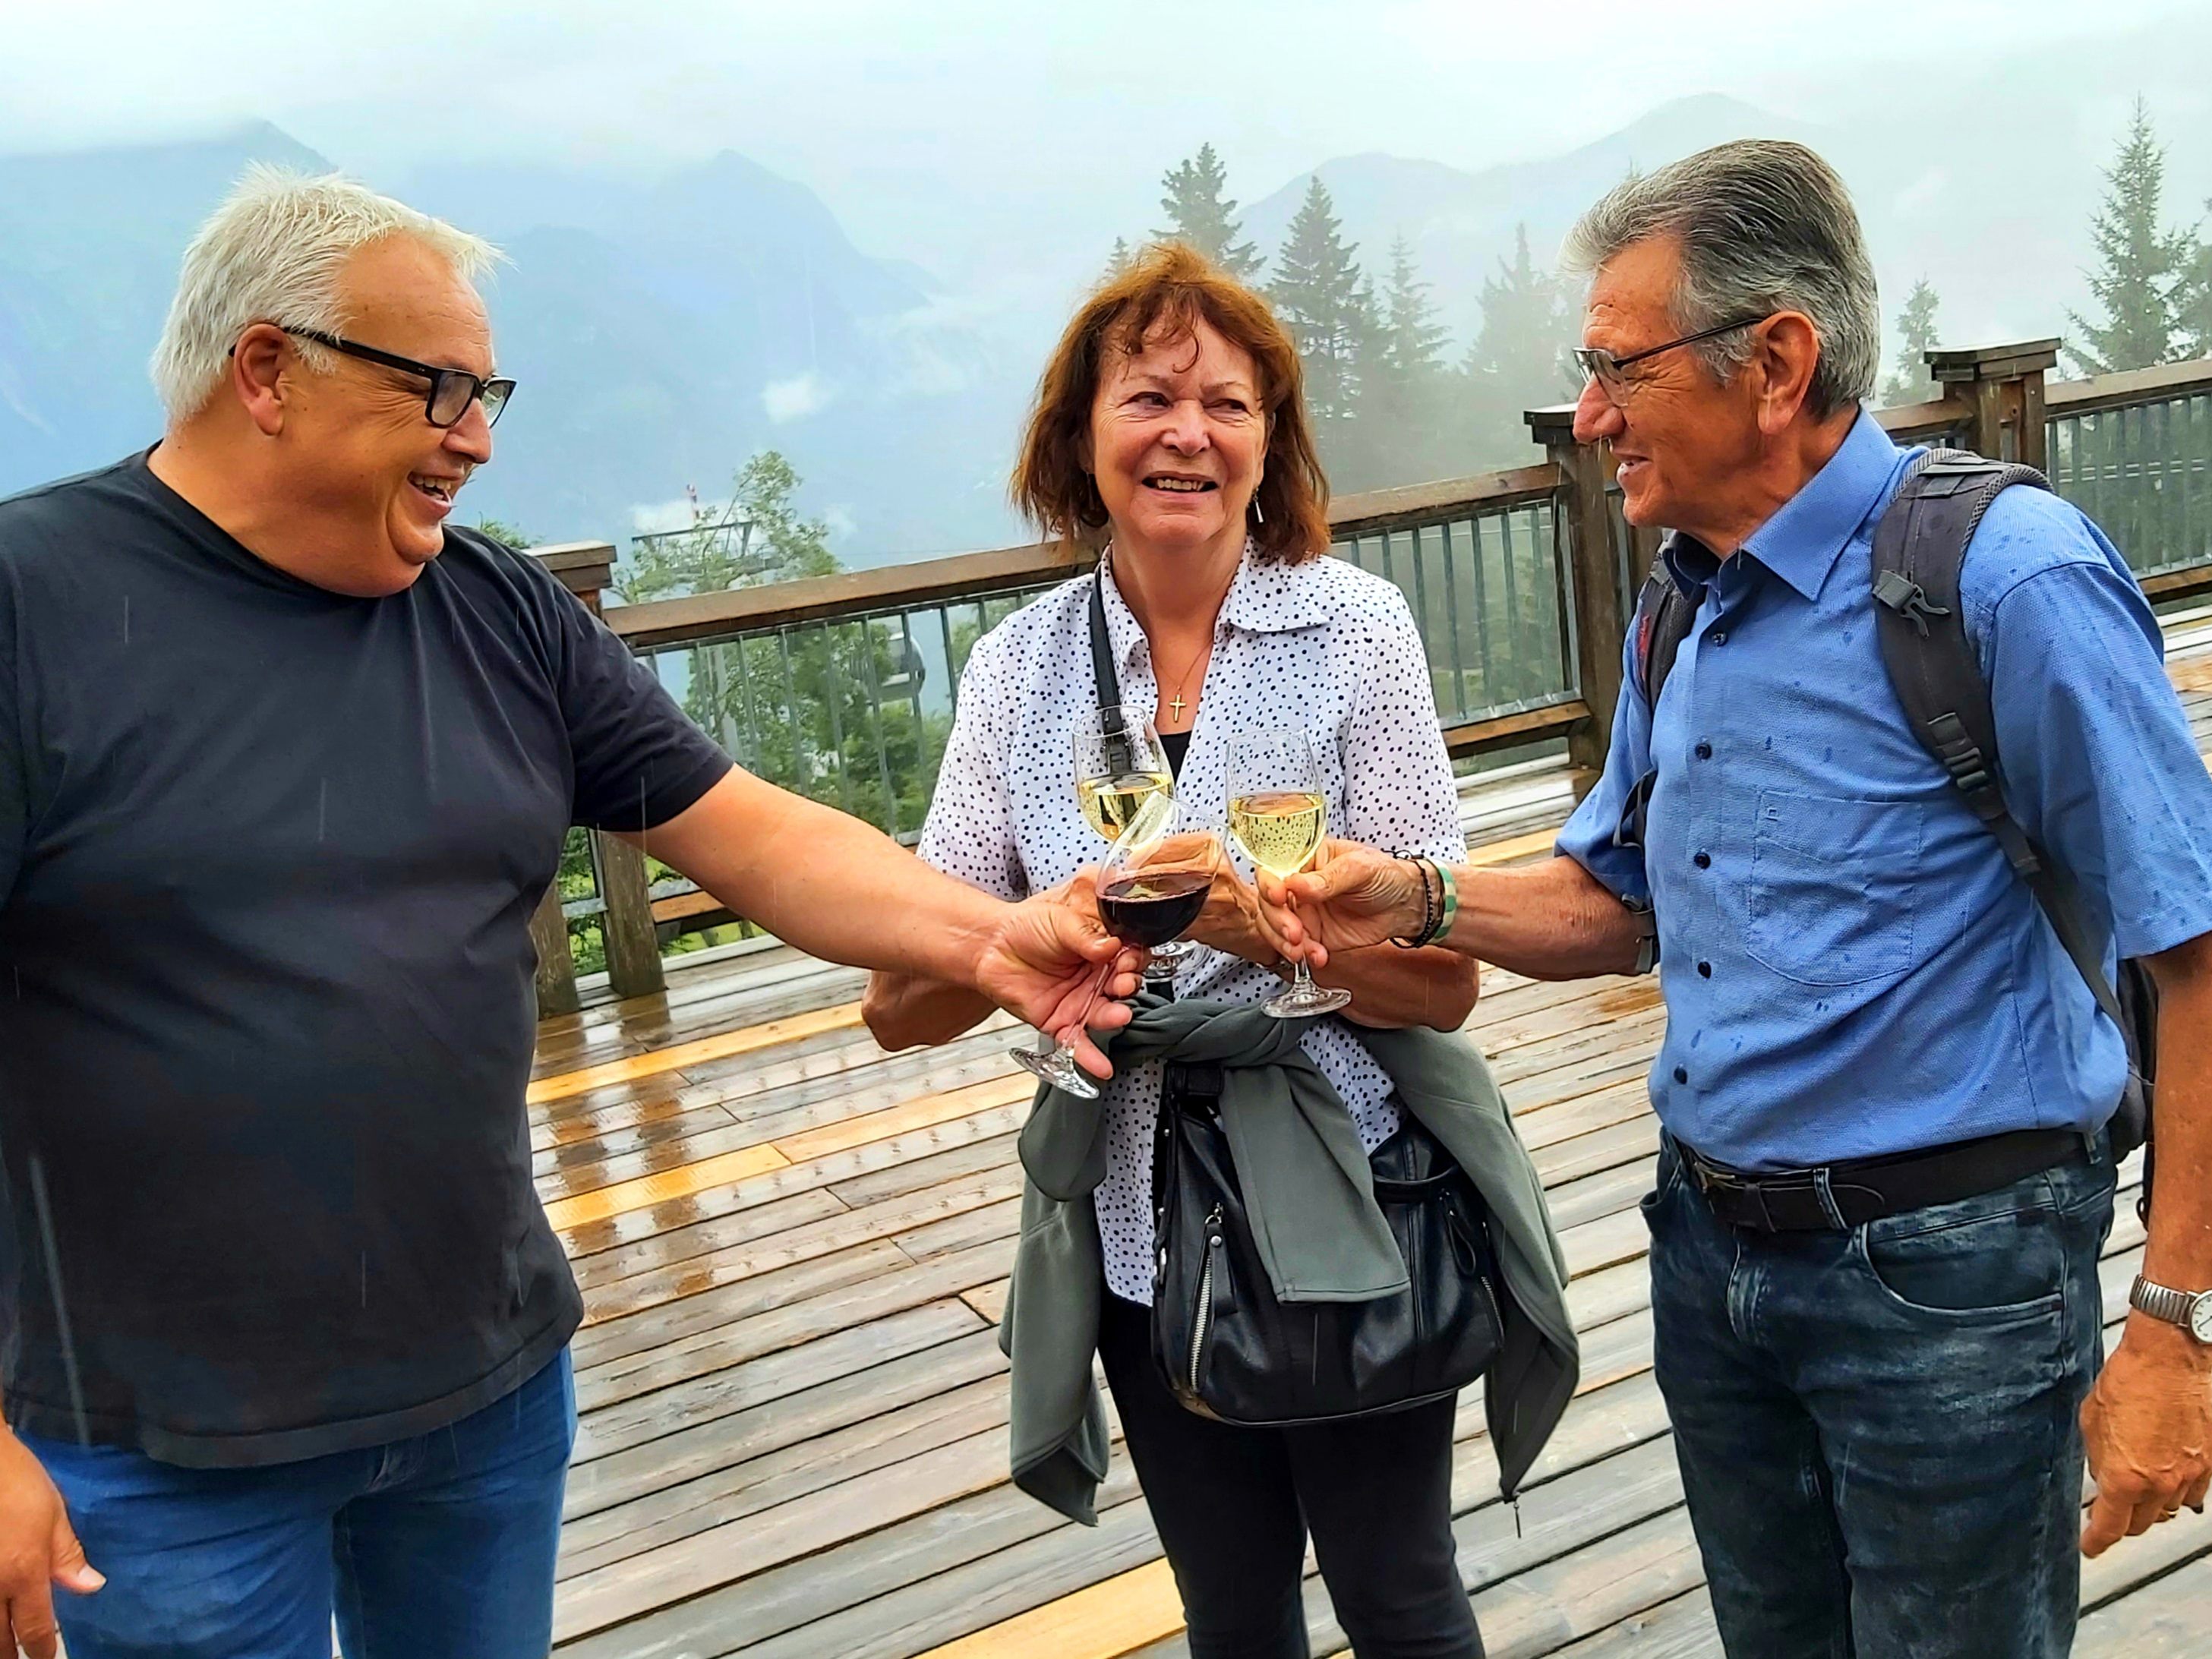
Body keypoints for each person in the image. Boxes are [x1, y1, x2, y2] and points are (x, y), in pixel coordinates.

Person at [0, 168, 1140, 1659]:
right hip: (154, 1455)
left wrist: (987, 939)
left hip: (480, 1401)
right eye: (440, 389)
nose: (475, 437)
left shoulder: (498, 611)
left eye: (491, 392)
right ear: (265, 371)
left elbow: (753, 832)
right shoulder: (37, 606)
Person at [1260, 140, 2212, 1657]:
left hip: (1948, 1271)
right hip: (1711, 1258)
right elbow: (1616, 899)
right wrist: (1418, 895)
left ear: (1772, 362)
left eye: (1613, 368)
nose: (1584, 417)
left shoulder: (2005, 579)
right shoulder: (1683, 597)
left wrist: (2174, 1327)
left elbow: (2196, 949)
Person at [864, 243, 1493, 1658]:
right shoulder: (1022, 669)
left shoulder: (1356, 632)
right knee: (1229, 1610)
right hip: (1136, 1224)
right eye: (1148, 396)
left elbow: (1441, 982)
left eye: (1228, 402)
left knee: (1401, 1595)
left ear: (1270, 443)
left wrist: (1240, 925)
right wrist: (1019, 944)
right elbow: (899, 1002)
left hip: (1355, 1199)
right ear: (1080, 438)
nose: (1187, 433)